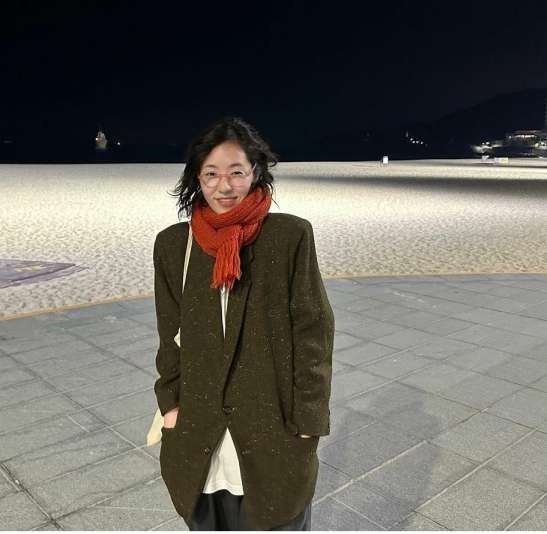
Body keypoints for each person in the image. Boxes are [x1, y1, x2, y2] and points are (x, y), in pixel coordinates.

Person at [153, 116, 335, 530]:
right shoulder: (174, 245)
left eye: (236, 172)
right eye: (212, 173)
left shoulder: (288, 237)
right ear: (197, 178)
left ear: (255, 172)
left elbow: (313, 332)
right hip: (199, 429)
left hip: (272, 428)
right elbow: (169, 334)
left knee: (277, 519)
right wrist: (171, 407)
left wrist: (307, 423)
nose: (225, 186)